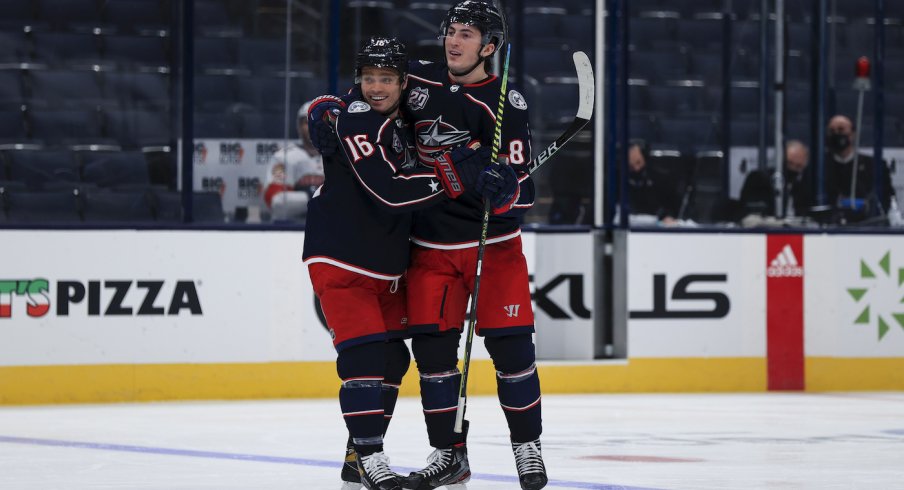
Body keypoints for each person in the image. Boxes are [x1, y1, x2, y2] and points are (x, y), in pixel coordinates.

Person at [309, 2, 547, 489]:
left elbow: (523, 190)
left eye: (466, 34)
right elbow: (364, 92)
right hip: (428, 247)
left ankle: (528, 449)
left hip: (493, 244)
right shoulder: (415, 77)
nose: (453, 42)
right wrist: (322, 108)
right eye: (450, 32)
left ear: (490, 47)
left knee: (513, 350)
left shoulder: (507, 103)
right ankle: (448, 455)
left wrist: (505, 193)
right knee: (435, 358)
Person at [301, 37, 491, 490]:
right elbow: (391, 192)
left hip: (384, 267)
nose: (377, 87)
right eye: (369, 79)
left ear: (404, 83)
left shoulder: (399, 115)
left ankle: (355, 456)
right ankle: (369, 457)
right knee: (365, 358)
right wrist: (455, 176)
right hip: (342, 258)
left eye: (387, 79)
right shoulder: (361, 117)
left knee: (391, 357)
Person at [823, 114, 894, 224]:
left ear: (852, 134)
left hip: (867, 227)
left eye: (841, 129)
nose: (836, 134)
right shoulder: (820, 168)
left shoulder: (875, 166)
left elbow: (887, 199)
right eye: (832, 131)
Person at [263, 100, 325, 221]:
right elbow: (275, 201)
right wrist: (316, 196)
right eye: (307, 122)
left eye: (318, 122)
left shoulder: (340, 156)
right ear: (298, 127)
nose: (313, 126)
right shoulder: (284, 157)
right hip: (291, 228)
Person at [739, 139, 813, 221]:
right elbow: (750, 211)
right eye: (790, 163)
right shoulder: (758, 179)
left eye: (798, 166)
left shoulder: (804, 188)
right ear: (781, 160)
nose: (793, 169)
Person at [620, 138, 679, 225]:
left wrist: (667, 217)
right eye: (631, 166)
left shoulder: (660, 180)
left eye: (638, 163)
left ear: (645, 158)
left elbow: (672, 207)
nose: (636, 169)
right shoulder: (619, 181)